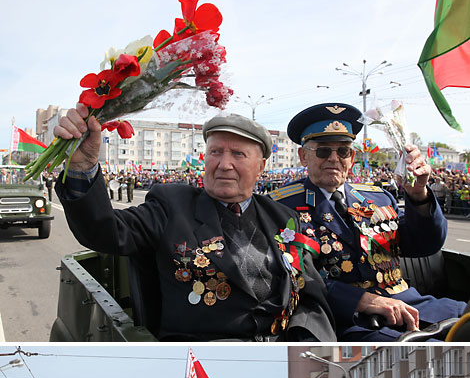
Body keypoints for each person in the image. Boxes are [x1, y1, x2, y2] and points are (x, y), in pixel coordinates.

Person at [53, 109, 335, 343]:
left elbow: (309, 292)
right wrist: (83, 166)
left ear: (261, 167)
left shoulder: (282, 216)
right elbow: (106, 231)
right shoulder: (171, 204)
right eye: (215, 152)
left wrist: (306, 343)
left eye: (238, 154)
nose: (224, 164)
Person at [284, 99, 463, 336]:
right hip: (350, 319)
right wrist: (359, 300)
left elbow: (425, 245)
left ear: (352, 158)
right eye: (324, 150)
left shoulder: (378, 199)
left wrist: (418, 194)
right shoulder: (282, 206)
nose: (334, 158)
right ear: (303, 157)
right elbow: (288, 278)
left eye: (343, 151)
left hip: (412, 305)